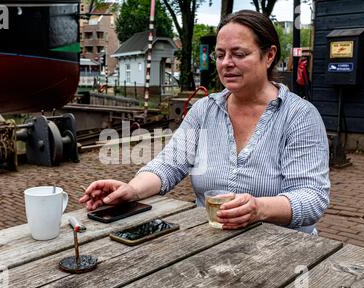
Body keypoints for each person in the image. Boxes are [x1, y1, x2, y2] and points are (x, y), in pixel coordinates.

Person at [79, 10, 330, 235]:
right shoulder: (204, 110)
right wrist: (131, 190)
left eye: (239, 54)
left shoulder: (299, 116)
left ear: (269, 55)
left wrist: (259, 208)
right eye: (220, 55)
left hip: (283, 247)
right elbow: (169, 165)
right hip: (212, 242)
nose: (226, 63)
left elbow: (311, 198)